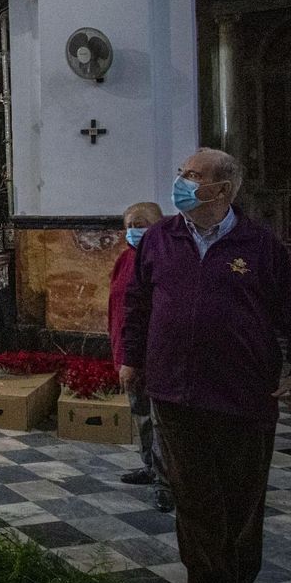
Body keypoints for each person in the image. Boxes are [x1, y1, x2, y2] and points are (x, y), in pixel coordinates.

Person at [121, 148, 291, 583]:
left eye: (193, 176)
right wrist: (131, 358)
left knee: (243, 496)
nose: (181, 181)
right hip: (175, 390)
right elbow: (136, 303)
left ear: (223, 190)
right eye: (182, 173)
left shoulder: (260, 245)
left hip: (243, 392)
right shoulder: (160, 238)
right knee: (193, 496)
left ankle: (239, 582)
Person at [110, 201, 171, 513]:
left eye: (141, 224)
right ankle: (150, 466)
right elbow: (118, 308)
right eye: (130, 226)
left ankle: (166, 481)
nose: (134, 231)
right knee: (142, 415)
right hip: (128, 353)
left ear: (159, 225)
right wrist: (121, 354)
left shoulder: (166, 258)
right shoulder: (125, 259)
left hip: (155, 355)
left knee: (161, 421)